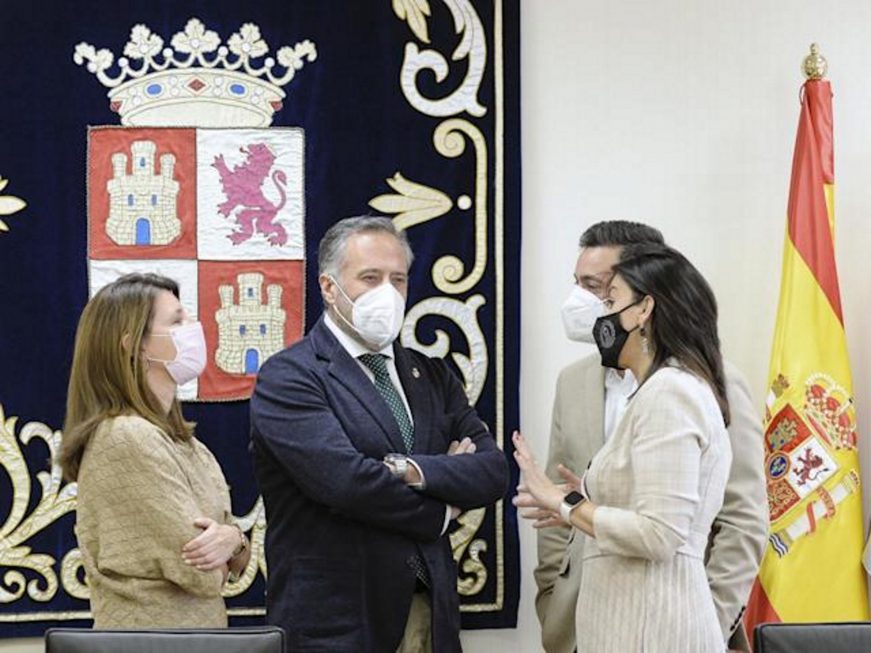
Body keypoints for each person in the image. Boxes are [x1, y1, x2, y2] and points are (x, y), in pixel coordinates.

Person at [250, 216, 508, 652]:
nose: (387, 292)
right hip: (339, 624)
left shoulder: (432, 374)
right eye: (370, 278)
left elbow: (493, 471)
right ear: (329, 287)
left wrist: (408, 470)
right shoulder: (290, 376)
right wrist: (441, 508)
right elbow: (346, 483)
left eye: (398, 279)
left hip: (431, 616)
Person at [534, 222, 767, 653]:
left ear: (645, 298)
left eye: (600, 290)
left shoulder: (702, 382)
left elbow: (742, 517)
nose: (584, 302)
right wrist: (552, 598)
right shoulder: (573, 381)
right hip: (584, 624)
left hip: (664, 623)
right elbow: (559, 493)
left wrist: (705, 620)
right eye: (578, 284)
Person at [60, 273, 250, 628]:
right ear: (135, 345)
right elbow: (203, 574)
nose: (194, 326)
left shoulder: (185, 443)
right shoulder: (126, 437)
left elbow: (237, 556)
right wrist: (232, 544)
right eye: (176, 321)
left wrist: (233, 540)